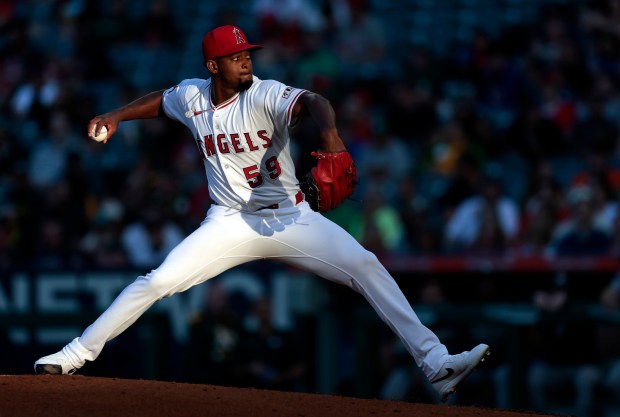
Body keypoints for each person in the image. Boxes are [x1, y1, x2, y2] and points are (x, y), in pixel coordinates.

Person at [33, 25, 489, 402]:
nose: (246, 60)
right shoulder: (192, 97)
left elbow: (315, 102)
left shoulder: (265, 93)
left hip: (291, 217)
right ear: (214, 67)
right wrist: (115, 115)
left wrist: (330, 135)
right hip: (228, 222)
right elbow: (160, 100)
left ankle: (437, 362)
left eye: (247, 53)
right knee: (155, 282)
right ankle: (74, 354)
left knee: (366, 265)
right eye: (236, 56)